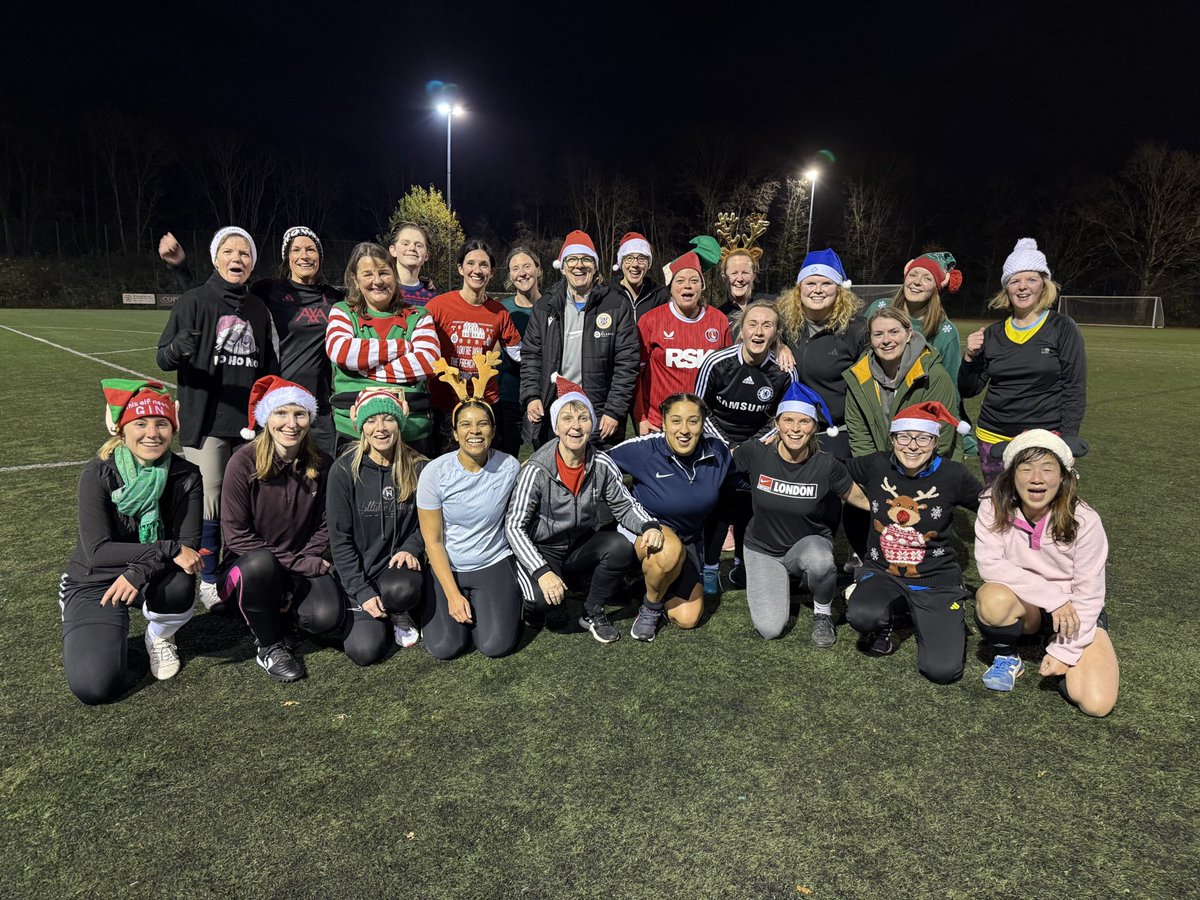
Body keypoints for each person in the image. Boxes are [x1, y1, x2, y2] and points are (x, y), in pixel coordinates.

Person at [218, 376, 372, 681]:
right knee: (262, 565)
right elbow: (237, 536)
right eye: (281, 413)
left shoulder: (323, 463)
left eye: (299, 414)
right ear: (266, 418)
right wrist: (297, 563)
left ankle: (284, 615)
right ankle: (269, 645)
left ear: (310, 419)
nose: (291, 423)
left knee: (326, 618)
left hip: (300, 563)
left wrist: (304, 560)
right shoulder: (242, 462)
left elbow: (328, 523)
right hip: (247, 567)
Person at [157, 226, 278, 612]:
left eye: (245, 253)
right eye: (229, 251)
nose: (237, 258)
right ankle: (208, 578)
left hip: (247, 422)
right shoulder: (193, 301)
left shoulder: (257, 309)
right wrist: (177, 349)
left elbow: (267, 365)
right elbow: (163, 357)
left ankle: (237, 569)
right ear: (216, 258)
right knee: (209, 498)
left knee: (245, 499)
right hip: (207, 421)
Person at [60, 381, 203, 704]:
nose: (152, 433)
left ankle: (159, 636)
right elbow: (98, 552)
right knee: (95, 687)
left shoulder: (187, 475)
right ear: (121, 430)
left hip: (150, 573)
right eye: (140, 423)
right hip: (96, 577)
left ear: (173, 429)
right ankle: (91, 620)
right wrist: (167, 548)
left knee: (181, 585)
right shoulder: (98, 473)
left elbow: (189, 544)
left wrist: (139, 571)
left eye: (161, 423)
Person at [507, 376, 666, 643]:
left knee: (619, 547)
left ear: (592, 424)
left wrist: (649, 526)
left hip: (580, 543)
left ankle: (592, 611)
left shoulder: (601, 463)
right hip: (544, 547)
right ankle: (533, 606)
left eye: (583, 418)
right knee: (541, 602)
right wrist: (541, 571)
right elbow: (514, 526)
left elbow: (624, 505)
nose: (576, 427)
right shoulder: (536, 469)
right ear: (556, 427)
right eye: (567, 419)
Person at [158, 227, 345, 456]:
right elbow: (216, 299)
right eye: (296, 249)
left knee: (324, 475)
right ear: (287, 256)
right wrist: (180, 269)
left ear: (320, 256)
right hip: (278, 401)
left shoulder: (336, 298)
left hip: (319, 405)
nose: (304, 255)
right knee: (275, 480)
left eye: (310, 249)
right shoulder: (268, 290)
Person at [973, 431, 1118, 716]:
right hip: (1028, 606)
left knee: (1096, 705)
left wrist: (1064, 653)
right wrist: (1054, 599)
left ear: (1064, 475)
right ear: (1012, 475)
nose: (1036, 478)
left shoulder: (1085, 520)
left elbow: (1089, 593)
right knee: (992, 597)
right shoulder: (992, 504)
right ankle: (1008, 654)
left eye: (1047, 468)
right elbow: (989, 564)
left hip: (1074, 612)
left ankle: (1055, 646)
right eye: (1025, 468)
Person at [842, 402, 982, 683]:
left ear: (935, 441)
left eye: (923, 438)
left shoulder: (953, 475)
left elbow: (991, 504)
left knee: (942, 672)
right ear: (892, 440)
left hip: (935, 579)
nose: (912, 446)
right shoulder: (876, 464)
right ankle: (887, 620)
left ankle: (939, 612)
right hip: (883, 572)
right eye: (904, 437)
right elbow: (833, 470)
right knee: (861, 614)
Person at [736, 382, 869, 647]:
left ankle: (822, 613)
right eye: (788, 420)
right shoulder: (756, 452)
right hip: (762, 548)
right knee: (770, 629)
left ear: (815, 427)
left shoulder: (826, 464)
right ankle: (788, 580)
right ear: (777, 422)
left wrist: (902, 514)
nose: (795, 429)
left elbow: (861, 500)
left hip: (807, 544)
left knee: (821, 561)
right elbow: (718, 466)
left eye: (804, 422)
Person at [959, 238, 1087, 484]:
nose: (1022, 287)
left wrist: (1069, 438)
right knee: (998, 511)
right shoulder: (993, 333)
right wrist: (969, 358)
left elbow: (1074, 387)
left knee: (1041, 512)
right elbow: (969, 388)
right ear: (1006, 288)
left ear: (1044, 285)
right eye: (1014, 280)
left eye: (1031, 279)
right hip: (993, 438)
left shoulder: (1062, 327)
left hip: (1044, 439)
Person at [416, 368, 522, 660]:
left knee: (495, 646)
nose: (474, 431)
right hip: (450, 565)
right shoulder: (434, 473)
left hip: (493, 561)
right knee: (445, 648)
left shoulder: (510, 466)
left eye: (482, 424)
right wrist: (452, 594)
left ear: (493, 429)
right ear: (454, 431)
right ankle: (444, 601)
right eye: (465, 424)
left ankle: (500, 605)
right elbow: (433, 541)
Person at [608, 393, 731, 640]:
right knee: (668, 550)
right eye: (676, 421)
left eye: (693, 421)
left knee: (687, 618)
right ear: (663, 423)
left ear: (702, 424)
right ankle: (650, 607)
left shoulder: (718, 453)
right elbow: (596, 461)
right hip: (647, 531)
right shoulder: (643, 449)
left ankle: (647, 582)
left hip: (689, 539)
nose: (684, 430)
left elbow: (737, 487)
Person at [776, 247, 870, 566]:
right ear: (798, 289)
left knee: (852, 497)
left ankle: (860, 557)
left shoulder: (855, 329)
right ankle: (811, 560)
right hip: (798, 431)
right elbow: (752, 324)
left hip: (841, 429)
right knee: (807, 499)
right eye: (810, 284)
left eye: (826, 284)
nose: (817, 290)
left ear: (839, 289)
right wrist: (780, 343)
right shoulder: (788, 323)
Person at [694, 300, 792, 593]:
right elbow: (699, 408)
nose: (759, 331)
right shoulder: (716, 362)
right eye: (753, 324)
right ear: (741, 328)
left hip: (760, 446)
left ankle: (741, 566)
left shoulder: (784, 371)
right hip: (716, 441)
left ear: (776, 333)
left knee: (748, 506)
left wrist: (749, 448)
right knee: (718, 503)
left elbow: (782, 419)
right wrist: (726, 445)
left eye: (767, 325)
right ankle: (709, 568)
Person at [327, 388, 427, 653]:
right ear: (360, 426)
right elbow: (339, 539)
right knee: (365, 651)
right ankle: (364, 609)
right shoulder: (343, 470)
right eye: (371, 420)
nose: (380, 428)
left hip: (397, 572)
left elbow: (430, 523)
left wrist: (412, 547)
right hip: (359, 572)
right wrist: (361, 590)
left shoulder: (419, 467)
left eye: (388, 419)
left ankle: (398, 610)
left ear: (400, 423)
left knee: (402, 589)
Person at [521, 230, 640, 450]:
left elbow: (627, 364)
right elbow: (531, 356)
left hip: (597, 413)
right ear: (563, 267)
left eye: (586, 260)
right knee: (555, 476)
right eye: (572, 259)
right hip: (554, 409)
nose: (579, 265)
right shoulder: (545, 306)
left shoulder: (615, 305)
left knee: (596, 478)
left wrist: (614, 411)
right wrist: (532, 396)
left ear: (595, 267)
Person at [325, 242, 440, 455]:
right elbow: (341, 351)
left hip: (412, 430)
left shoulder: (419, 315)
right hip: (354, 431)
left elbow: (428, 361)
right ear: (355, 280)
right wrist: (401, 346)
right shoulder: (342, 312)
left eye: (384, 273)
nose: (377, 281)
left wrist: (362, 368)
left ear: (395, 277)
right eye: (367, 274)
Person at [426, 240, 523, 451]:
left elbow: (520, 354)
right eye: (470, 263)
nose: (477, 270)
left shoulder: (499, 312)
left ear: (492, 272)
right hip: (445, 404)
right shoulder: (438, 306)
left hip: (485, 404)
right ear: (460, 268)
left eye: (484, 265)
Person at [843, 306, 966, 460]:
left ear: (909, 334)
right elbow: (860, 437)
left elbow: (942, 435)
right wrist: (876, 470)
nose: (887, 340)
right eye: (878, 334)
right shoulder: (858, 377)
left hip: (932, 465)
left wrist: (905, 474)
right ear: (870, 339)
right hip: (880, 468)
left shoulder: (933, 375)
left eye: (894, 332)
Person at [634, 251, 731, 435]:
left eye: (694, 281)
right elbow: (635, 374)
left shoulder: (719, 321)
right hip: (659, 424)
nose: (687, 286)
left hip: (705, 425)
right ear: (670, 288)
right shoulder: (651, 321)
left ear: (702, 286)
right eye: (680, 281)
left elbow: (727, 376)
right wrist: (641, 417)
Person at [498, 247, 543, 456]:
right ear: (510, 275)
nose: (522, 273)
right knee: (506, 461)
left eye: (527, 266)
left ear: (538, 270)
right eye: (515, 268)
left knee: (547, 458)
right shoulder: (501, 309)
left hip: (543, 397)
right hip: (509, 397)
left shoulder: (552, 306)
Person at [611, 231, 667, 320]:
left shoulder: (660, 296)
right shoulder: (608, 294)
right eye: (629, 258)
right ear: (621, 263)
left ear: (648, 264)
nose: (635, 264)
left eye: (642, 259)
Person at [387, 221, 438, 307]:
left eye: (419, 245)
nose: (412, 248)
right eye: (405, 244)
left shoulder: (433, 299)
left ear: (426, 255)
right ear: (393, 250)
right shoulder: (382, 291)